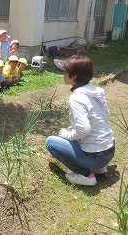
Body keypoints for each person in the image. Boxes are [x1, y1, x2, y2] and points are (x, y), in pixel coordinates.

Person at [45, 55, 115, 186]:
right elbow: (105, 114)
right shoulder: (94, 91)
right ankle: (98, 168)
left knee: (51, 142)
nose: (63, 74)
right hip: (108, 151)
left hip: (96, 156)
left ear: (74, 76)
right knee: (71, 133)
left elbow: (84, 130)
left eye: (65, 71)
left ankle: (85, 174)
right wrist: (75, 129)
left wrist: (66, 134)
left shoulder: (77, 97)